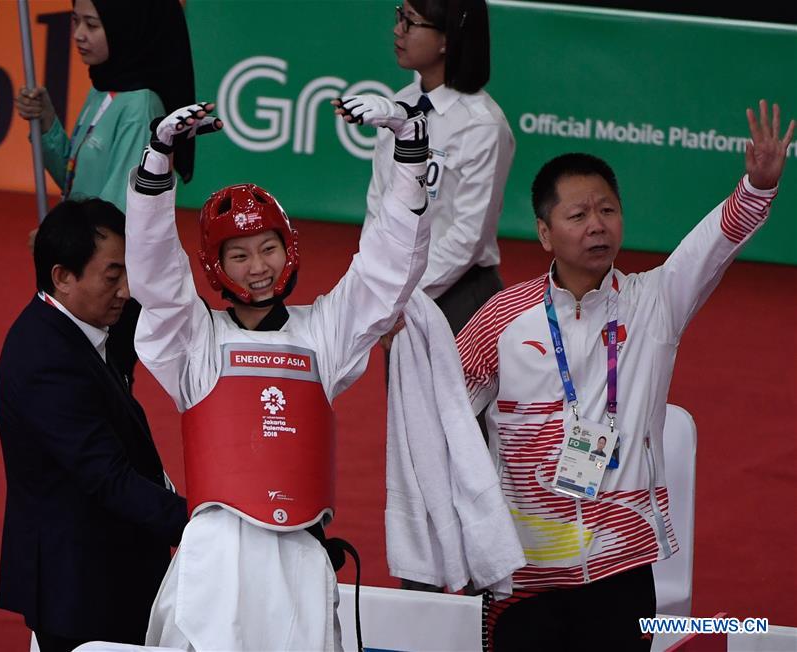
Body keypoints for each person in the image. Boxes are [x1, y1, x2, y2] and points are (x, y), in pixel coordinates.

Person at [456, 100, 793, 650]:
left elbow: (713, 245)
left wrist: (756, 188)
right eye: (579, 215)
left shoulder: (655, 301)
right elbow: (443, 413)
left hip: (622, 567)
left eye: (607, 210)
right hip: (526, 574)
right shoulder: (502, 319)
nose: (597, 226)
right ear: (544, 233)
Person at [124, 98, 430, 650]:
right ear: (216, 266)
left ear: (289, 249)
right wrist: (157, 163)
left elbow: (387, 272)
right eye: (238, 255)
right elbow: (156, 275)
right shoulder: (195, 339)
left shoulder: (323, 333)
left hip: (300, 553)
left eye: (268, 248)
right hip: (217, 555)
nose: (258, 267)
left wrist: (408, 150)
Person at [0, 200, 188, 652]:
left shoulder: (89, 319)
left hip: (111, 568)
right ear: (62, 277)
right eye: (112, 275)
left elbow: (167, 308)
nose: (126, 290)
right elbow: (108, 478)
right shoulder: (46, 361)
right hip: (82, 591)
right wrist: (205, 525)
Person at [14, 0, 195, 382]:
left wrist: (57, 242)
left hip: (109, 280)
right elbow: (73, 175)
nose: (79, 35)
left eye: (92, 25)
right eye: (76, 21)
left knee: (103, 384)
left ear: (126, 29)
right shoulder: (105, 90)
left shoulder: (141, 105)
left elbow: (116, 211)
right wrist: (46, 119)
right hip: (84, 268)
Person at [364, 0, 514, 337]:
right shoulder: (399, 103)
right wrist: (375, 285)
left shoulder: (483, 125)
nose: (397, 29)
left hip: (459, 294)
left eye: (410, 21)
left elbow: (468, 237)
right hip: (398, 292)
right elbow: (378, 203)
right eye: (398, 15)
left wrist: (402, 296)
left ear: (447, 40)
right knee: (398, 393)